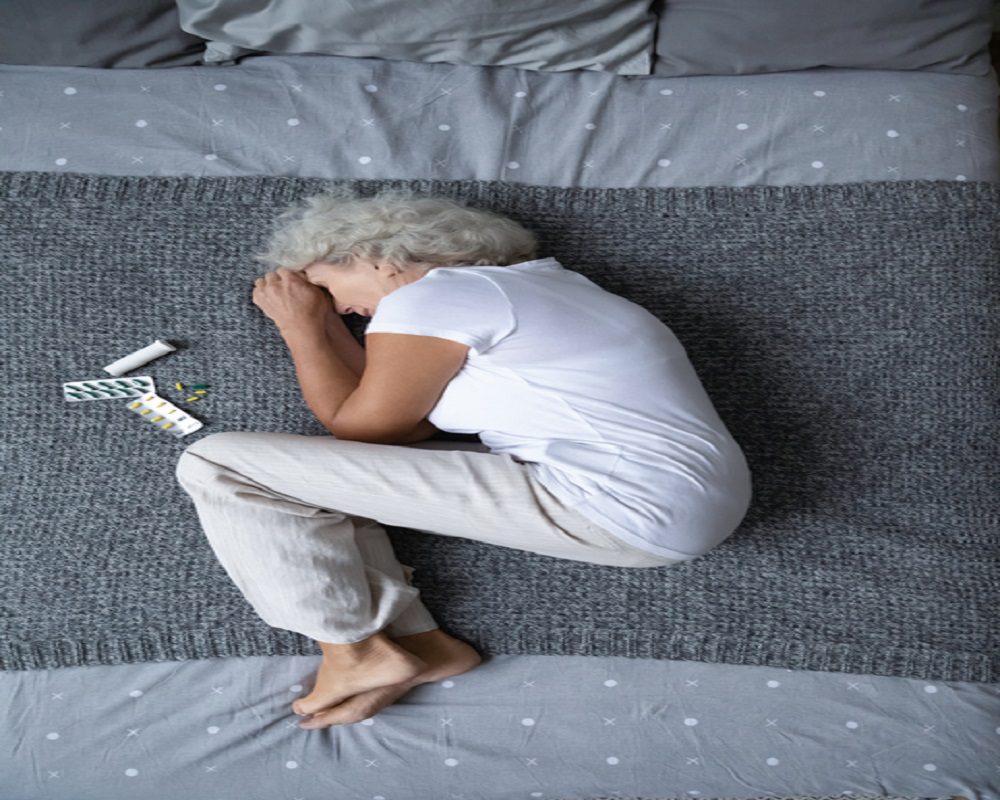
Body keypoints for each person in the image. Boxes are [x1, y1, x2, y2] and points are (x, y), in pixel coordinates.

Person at [174, 187, 752, 732]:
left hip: (626, 504)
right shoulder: (546, 287)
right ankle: (424, 647)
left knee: (216, 463)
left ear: (379, 259)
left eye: (331, 287)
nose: (344, 309)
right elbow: (400, 431)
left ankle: (351, 648)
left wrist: (302, 326)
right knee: (310, 480)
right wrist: (325, 322)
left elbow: (363, 429)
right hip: (676, 499)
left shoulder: (438, 295)